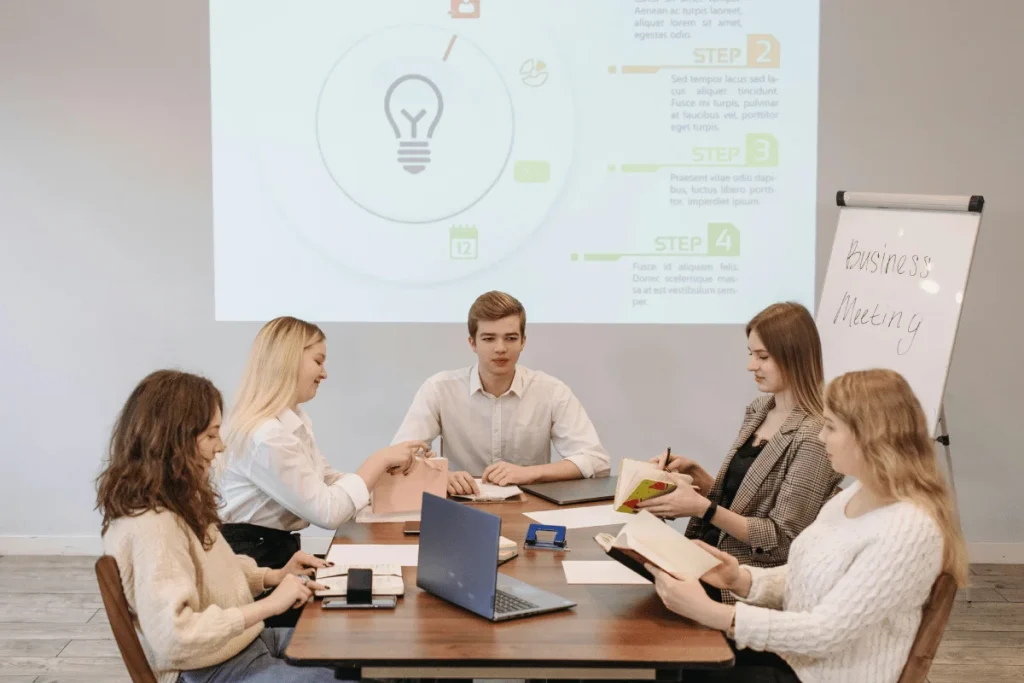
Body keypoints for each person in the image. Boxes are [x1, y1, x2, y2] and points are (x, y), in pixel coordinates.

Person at [646, 368, 969, 683]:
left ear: (868, 437)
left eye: (830, 427)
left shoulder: (909, 530)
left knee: (673, 658)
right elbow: (811, 574)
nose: (819, 436)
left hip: (815, 672)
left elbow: (825, 633)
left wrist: (714, 614)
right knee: (670, 652)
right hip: (796, 661)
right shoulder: (857, 493)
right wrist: (741, 578)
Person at [96, 369, 345, 683]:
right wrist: (269, 606)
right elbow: (176, 638)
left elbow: (213, 570)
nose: (221, 446)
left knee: (366, 654)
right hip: (214, 669)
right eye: (211, 435)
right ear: (176, 440)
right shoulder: (154, 528)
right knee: (365, 673)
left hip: (242, 646)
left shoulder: (173, 503)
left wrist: (273, 575)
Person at [214, 317, 431, 624]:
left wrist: (384, 478)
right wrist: (378, 461)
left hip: (276, 552)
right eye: (318, 361)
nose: (324, 373)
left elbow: (326, 480)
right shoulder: (267, 436)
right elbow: (328, 512)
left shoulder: (292, 422)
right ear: (289, 359)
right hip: (257, 565)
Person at [640, 302, 841, 602]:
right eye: (751, 355)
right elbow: (747, 501)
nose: (751, 366)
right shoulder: (760, 410)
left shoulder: (815, 435)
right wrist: (698, 478)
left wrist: (701, 508)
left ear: (794, 356)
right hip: (705, 559)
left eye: (763, 357)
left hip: (745, 584)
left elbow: (782, 539)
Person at [391, 291, 611, 496]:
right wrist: (440, 475)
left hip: (530, 503)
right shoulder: (439, 388)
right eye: (489, 338)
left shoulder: (551, 391)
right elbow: (397, 457)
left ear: (523, 342)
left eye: (511, 338)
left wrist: (530, 473)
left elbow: (596, 461)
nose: (500, 348)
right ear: (472, 343)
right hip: (459, 504)